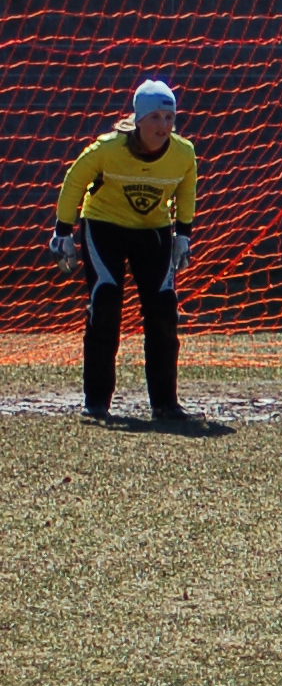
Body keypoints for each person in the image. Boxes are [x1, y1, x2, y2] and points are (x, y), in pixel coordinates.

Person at [52, 77, 197, 426]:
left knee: (163, 309)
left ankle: (165, 404)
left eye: (170, 117)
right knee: (106, 302)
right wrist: (62, 231)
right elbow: (74, 181)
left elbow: (186, 189)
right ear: (139, 119)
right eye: (156, 117)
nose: (164, 125)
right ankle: (96, 401)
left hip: (153, 231)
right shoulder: (107, 149)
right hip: (105, 226)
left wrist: (183, 234)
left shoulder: (183, 153)